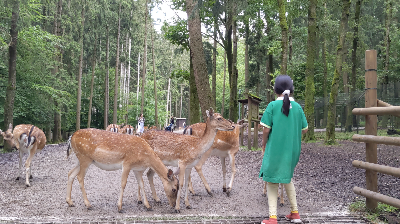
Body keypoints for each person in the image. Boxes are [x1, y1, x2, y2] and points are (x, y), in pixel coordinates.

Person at [259, 75, 308, 224]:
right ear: (291, 90)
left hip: (275, 149)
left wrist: (263, 144)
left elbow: (266, 129)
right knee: (287, 178)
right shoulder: (298, 107)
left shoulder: (272, 106)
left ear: (276, 90)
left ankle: (273, 217)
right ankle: (295, 213)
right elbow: (305, 129)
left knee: (272, 180)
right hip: (292, 150)